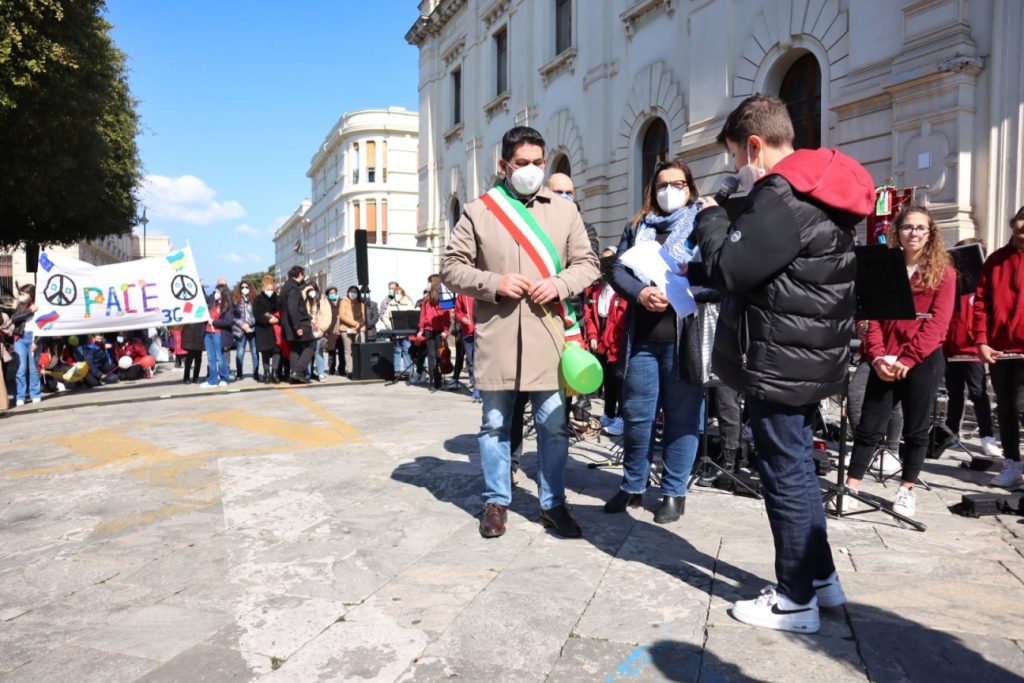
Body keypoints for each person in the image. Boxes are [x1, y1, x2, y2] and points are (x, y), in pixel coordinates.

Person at [693, 94, 875, 633]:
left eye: (735, 158)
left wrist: (709, 219)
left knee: (784, 474)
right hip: (807, 354)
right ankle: (821, 580)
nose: (734, 171)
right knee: (796, 464)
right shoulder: (819, 189)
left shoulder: (781, 193)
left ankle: (795, 600)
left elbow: (729, 268)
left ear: (754, 145)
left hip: (779, 355)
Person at [440, 125, 599, 539]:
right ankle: (496, 501)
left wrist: (560, 284)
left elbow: (588, 263)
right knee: (494, 424)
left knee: (553, 425)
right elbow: (451, 267)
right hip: (499, 335)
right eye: (522, 163)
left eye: (538, 163)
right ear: (504, 165)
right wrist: (493, 283)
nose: (531, 170)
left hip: (549, 336)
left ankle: (553, 503)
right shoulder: (480, 210)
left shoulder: (565, 211)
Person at [602, 160, 705, 524]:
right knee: (637, 415)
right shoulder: (637, 225)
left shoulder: (704, 222)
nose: (670, 190)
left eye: (678, 183)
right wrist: (642, 292)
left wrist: (683, 287)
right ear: (653, 189)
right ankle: (632, 484)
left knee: (682, 417)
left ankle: (674, 492)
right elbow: (615, 270)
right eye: (663, 184)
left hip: (684, 339)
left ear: (690, 188)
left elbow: (723, 276)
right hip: (642, 339)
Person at [843, 207, 956, 516]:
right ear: (898, 231)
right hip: (885, 357)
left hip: (922, 359)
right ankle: (852, 486)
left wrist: (909, 358)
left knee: (916, 428)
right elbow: (873, 315)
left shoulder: (944, 273)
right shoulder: (885, 269)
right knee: (869, 424)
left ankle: (907, 488)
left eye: (921, 228)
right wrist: (878, 355)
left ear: (931, 234)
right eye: (908, 227)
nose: (914, 233)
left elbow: (939, 323)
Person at [975, 205, 1024, 488]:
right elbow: (980, 303)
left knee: (1020, 407)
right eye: (1017, 231)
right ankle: (1012, 464)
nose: (1020, 237)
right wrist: (981, 340)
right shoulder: (996, 260)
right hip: (999, 349)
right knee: (1005, 408)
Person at [942, 238, 1001, 458]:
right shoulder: (953, 286)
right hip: (952, 349)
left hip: (973, 350)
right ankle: (951, 434)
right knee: (954, 394)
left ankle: (987, 437)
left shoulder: (984, 288)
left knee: (978, 393)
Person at [582, 246, 627, 436]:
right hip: (600, 336)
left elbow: (618, 318)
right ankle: (608, 413)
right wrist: (593, 336)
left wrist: (608, 342)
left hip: (615, 340)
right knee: (607, 379)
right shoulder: (596, 288)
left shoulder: (622, 288)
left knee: (619, 380)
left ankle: (621, 417)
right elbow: (589, 314)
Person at [280, 265, 314, 384]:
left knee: (295, 349)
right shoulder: (293, 288)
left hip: (288, 325)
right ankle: (298, 372)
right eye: (303, 274)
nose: (304, 277)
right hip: (298, 323)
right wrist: (297, 327)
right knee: (311, 346)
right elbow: (292, 309)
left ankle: (294, 376)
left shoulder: (286, 286)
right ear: (299, 274)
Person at [10, 284, 41, 406]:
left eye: (24, 294)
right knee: (21, 368)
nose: (21, 296)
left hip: (34, 338)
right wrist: (30, 311)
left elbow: (45, 325)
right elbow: (15, 318)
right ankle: (20, 395)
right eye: (20, 294)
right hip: (20, 338)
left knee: (33, 368)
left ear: (31, 294)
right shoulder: (21, 306)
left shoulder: (40, 306)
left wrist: (37, 342)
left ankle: (35, 394)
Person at [417, 281, 452, 391]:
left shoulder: (428, 301)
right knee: (436, 356)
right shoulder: (428, 301)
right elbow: (447, 317)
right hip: (435, 330)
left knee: (433, 356)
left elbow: (423, 316)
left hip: (433, 330)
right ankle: (436, 382)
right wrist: (445, 330)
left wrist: (421, 329)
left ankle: (434, 383)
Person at [201, 283, 235, 387]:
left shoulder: (228, 305)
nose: (215, 293)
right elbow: (204, 298)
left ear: (222, 293)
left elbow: (229, 321)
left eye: (217, 292)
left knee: (220, 357)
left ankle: (224, 378)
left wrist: (214, 322)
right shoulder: (212, 303)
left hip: (218, 334)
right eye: (215, 291)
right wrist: (200, 287)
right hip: (208, 333)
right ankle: (212, 379)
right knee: (211, 358)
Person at [253, 275, 281, 384]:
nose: (270, 291)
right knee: (265, 351)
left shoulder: (277, 298)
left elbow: (282, 311)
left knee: (276, 351)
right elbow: (257, 314)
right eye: (268, 289)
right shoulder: (258, 299)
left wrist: (277, 318)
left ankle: (275, 373)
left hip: (276, 328)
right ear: (263, 289)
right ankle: (266, 373)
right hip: (263, 329)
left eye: (271, 289)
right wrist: (268, 320)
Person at [232, 280, 259, 381]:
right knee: (240, 352)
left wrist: (249, 324)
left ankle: (255, 373)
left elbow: (257, 314)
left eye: (246, 287)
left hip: (252, 329)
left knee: (254, 352)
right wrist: (243, 324)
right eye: (242, 287)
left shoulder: (255, 299)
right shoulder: (235, 300)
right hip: (240, 329)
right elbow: (233, 316)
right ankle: (239, 374)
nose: (244, 289)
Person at [338, 284, 366, 379]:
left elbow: (363, 316)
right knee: (348, 350)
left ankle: (359, 368)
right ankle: (350, 370)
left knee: (359, 349)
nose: (353, 293)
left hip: (358, 329)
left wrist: (358, 325)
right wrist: (354, 324)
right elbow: (342, 315)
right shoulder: (343, 301)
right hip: (346, 329)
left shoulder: (361, 303)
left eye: (355, 292)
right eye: (351, 291)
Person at [453, 292, 478, 398]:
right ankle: (475, 386)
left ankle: (484, 386)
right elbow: (457, 311)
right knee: (471, 360)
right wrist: (462, 318)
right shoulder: (463, 293)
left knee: (482, 360)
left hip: (483, 332)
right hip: (468, 331)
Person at [306, 282, 331, 381]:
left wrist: (322, 329)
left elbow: (327, 316)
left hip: (319, 330)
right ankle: (307, 374)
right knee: (307, 353)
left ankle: (321, 373)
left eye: (313, 289)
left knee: (318, 352)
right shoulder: (305, 300)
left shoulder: (323, 300)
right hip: (308, 330)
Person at [323, 287, 343, 375]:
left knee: (342, 351)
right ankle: (331, 369)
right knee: (331, 351)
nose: (332, 294)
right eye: (331, 293)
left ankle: (342, 369)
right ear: (328, 294)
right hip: (331, 331)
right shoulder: (326, 303)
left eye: (334, 292)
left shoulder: (341, 301)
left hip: (341, 330)